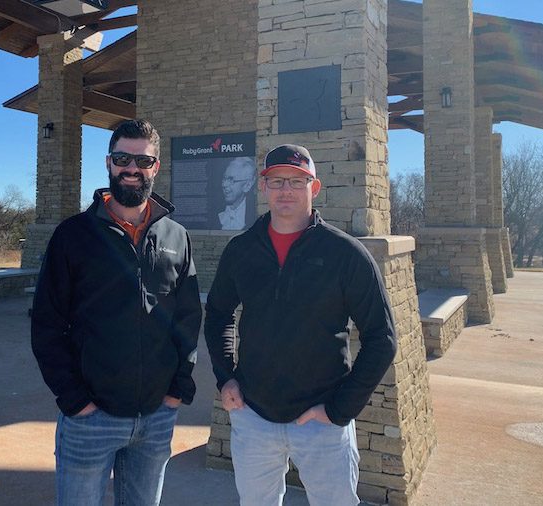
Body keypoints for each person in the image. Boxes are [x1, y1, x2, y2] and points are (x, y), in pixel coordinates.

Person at [204, 144, 397, 506]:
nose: (286, 190)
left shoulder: (346, 254)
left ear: (315, 187)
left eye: (297, 180)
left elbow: (382, 338)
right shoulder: (241, 250)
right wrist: (225, 375)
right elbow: (217, 314)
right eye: (276, 181)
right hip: (254, 416)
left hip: (321, 422)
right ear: (262, 187)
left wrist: (339, 410)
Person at [31, 119, 202, 506]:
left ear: (155, 167)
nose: (132, 169)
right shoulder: (73, 235)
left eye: (142, 161)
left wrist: (177, 389)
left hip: (157, 417)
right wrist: (75, 401)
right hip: (91, 417)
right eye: (123, 158)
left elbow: (188, 318)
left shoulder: (176, 236)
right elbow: (46, 325)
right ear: (109, 163)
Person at [216, 157, 256, 230]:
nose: (224, 184)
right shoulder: (215, 215)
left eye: (231, 180)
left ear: (247, 185)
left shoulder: (253, 215)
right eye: (224, 178)